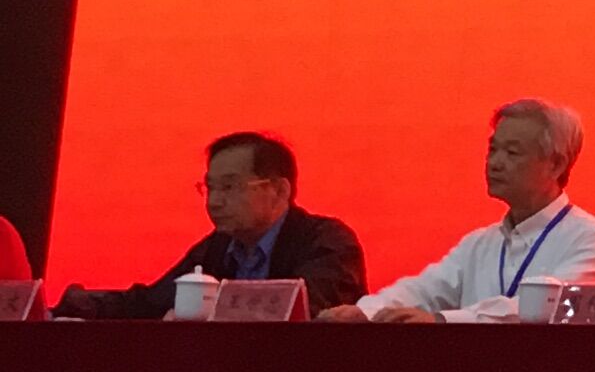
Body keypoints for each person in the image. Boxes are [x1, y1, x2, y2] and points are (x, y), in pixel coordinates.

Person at [325, 99, 595, 322]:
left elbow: (542, 308)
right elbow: (424, 289)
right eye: (493, 149)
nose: (495, 162)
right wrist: (365, 312)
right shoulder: (480, 243)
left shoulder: (593, 238)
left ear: (556, 164)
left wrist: (444, 320)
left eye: (512, 152)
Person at [56, 131, 368, 318]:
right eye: (210, 188)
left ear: (279, 190)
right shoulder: (218, 248)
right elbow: (151, 302)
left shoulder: (328, 241)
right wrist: (77, 306)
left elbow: (300, 307)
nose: (214, 202)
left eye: (229, 187)